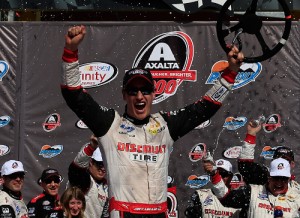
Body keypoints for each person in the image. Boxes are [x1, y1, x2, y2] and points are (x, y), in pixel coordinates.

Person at [61, 25, 244, 217]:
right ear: (124, 95)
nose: (140, 96)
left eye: (145, 91)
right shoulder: (110, 124)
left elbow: (203, 109)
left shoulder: (165, 124)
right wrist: (70, 53)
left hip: (158, 212)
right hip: (124, 212)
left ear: (153, 94)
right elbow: (75, 96)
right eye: (133, 91)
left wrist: (230, 73)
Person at [210, 157, 300, 217]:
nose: (279, 182)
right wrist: (214, 175)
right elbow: (226, 198)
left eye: (283, 179)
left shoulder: (297, 198)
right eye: (276, 178)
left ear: (289, 179)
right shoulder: (253, 192)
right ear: (269, 177)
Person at [238, 120, 299, 191]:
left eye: (285, 160)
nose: (281, 163)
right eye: (278, 159)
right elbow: (245, 166)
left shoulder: (296, 188)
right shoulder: (264, 176)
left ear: (292, 164)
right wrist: (251, 135)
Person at [68, 134, 109, 217]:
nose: (103, 169)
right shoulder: (83, 179)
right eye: (99, 164)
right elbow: (76, 166)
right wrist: (91, 147)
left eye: (105, 165)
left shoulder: (107, 187)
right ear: (91, 162)